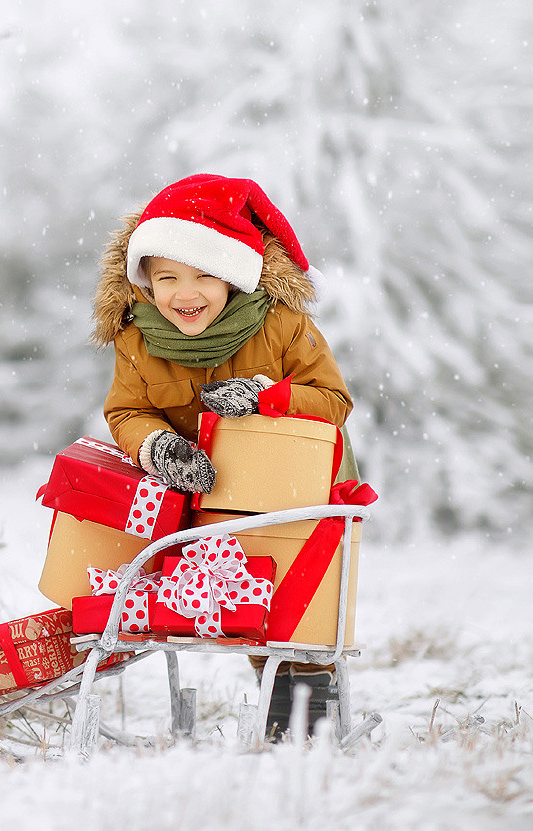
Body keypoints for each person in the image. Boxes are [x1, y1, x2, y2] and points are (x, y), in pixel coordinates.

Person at [92, 173, 354, 739]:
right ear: (146, 281)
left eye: (204, 275)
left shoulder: (282, 325)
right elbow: (128, 411)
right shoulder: (138, 340)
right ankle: (273, 704)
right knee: (245, 603)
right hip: (208, 493)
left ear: (233, 275)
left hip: (292, 489)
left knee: (297, 606)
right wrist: (159, 446)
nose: (184, 295)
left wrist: (266, 396)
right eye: (167, 278)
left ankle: (310, 721)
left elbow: (333, 401)